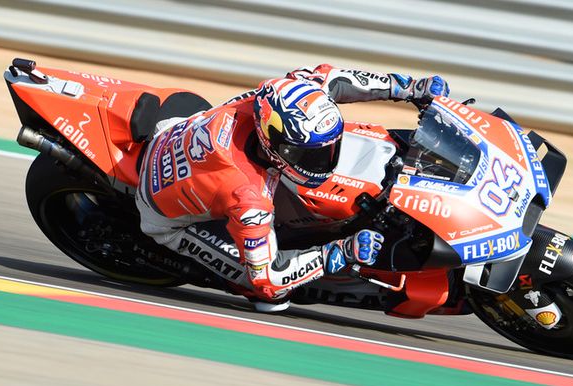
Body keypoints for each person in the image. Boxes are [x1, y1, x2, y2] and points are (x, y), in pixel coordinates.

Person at [135, 64, 449, 311]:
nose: (323, 159)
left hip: (177, 131)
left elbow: (334, 79)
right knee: (271, 299)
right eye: (308, 155)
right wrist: (338, 252)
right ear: (275, 145)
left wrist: (410, 88)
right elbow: (268, 279)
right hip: (165, 216)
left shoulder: (277, 95)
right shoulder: (247, 196)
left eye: (326, 149)